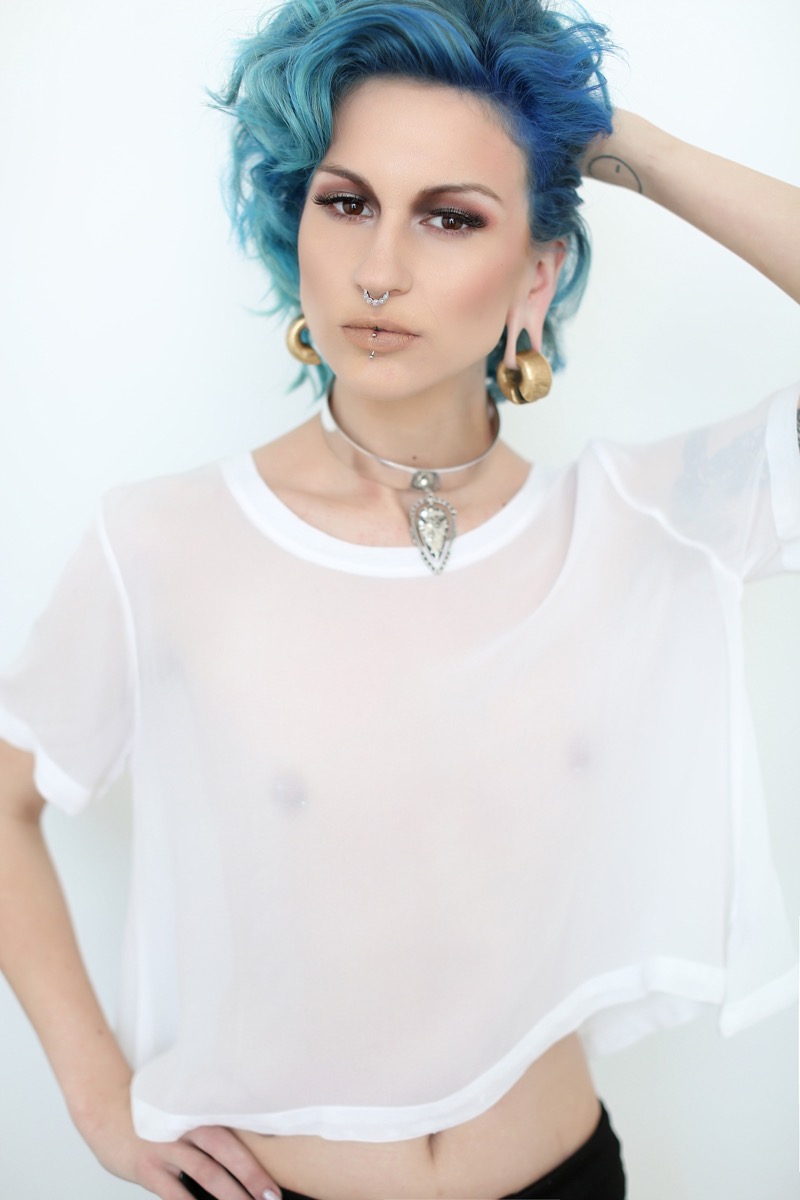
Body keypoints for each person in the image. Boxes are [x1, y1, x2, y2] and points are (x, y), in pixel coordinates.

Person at [0, 1, 798, 1198]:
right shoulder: (162, 541)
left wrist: (616, 142)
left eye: (449, 216)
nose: (378, 270)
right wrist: (95, 1095)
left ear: (536, 273)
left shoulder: (640, 526)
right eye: (346, 203)